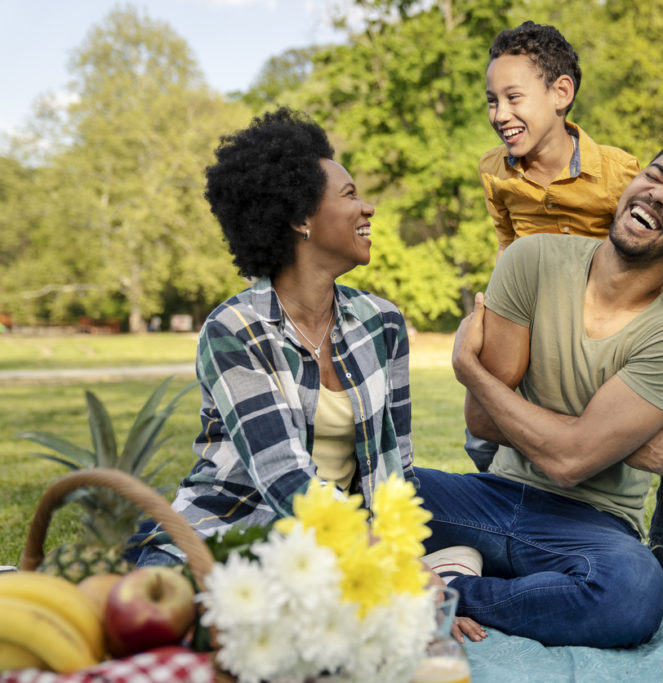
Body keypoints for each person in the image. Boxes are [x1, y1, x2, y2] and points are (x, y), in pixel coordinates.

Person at [125, 108, 486, 642]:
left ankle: (431, 579)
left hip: (333, 545)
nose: (368, 207)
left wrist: (410, 577)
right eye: (349, 195)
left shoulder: (382, 323)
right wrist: (399, 576)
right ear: (301, 219)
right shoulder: (235, 329)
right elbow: (286, 481)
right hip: (237, 533)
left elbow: (395, 473)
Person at [417, 121, 663, 647]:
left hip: (591, 526)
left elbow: (568, 463)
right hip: (493, 495)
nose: (658, 195)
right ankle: (505, 584)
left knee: (633, 593)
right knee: (351, 497)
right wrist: (610, 442)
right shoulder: (532, 260)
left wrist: (472, 372)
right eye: (655, 176)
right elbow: (481, 421)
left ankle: (447, 588)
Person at [472, 19, 663, 589]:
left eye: (514, 97)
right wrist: (499, 314)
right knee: (482, 422)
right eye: (492, 99)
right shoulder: (495, 171)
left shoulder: (620, 171)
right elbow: (507, 240)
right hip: (537, 311)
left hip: (608, 312)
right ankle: (514, 519)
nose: (499, 112)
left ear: (561, 94)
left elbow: (648, 245)